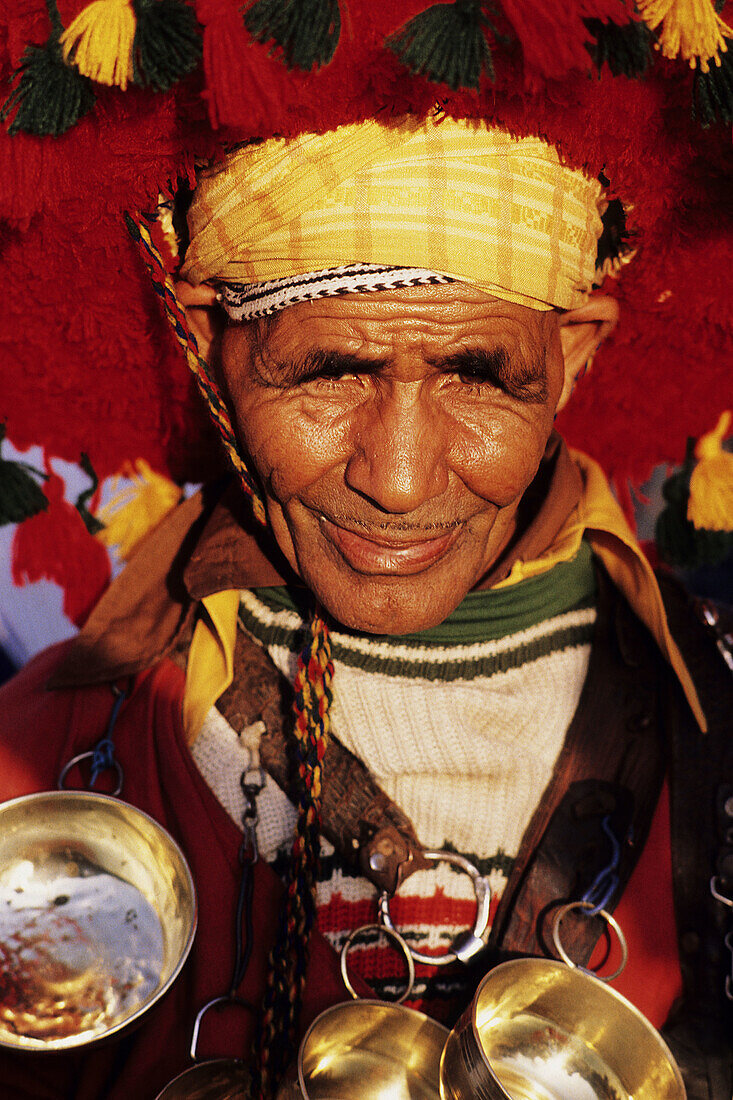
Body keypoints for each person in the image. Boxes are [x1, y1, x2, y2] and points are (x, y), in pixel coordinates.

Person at [1, 5, 731, 1099]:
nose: (396, 477)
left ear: (572, 353)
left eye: (478, 376)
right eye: (328, 371)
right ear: (205, 345)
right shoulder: (43, 755)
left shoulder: (713, 719)